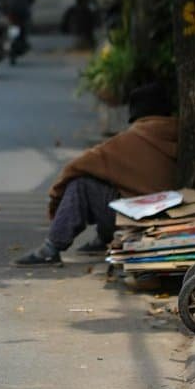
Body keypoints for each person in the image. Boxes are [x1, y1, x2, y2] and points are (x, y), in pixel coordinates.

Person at [13, 83, 178, 266]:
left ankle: (51, 249)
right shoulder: (181, 133)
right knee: (116, 185)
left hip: (139, 220)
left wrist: (55, 200)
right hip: (175, 216)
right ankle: (103, 238)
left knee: (82, 185)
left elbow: (75, 167)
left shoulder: (130, 140)